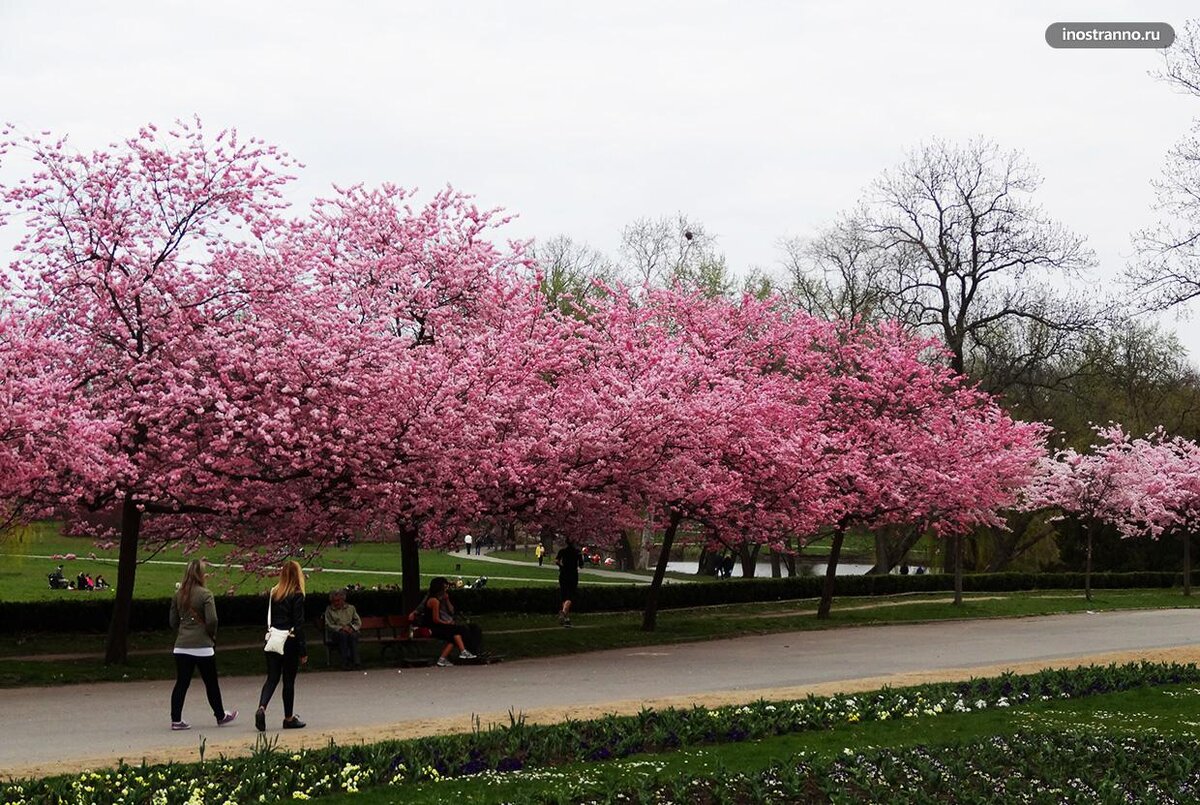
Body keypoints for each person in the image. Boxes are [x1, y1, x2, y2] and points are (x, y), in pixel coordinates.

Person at [168, 559, 237, 731]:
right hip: (202, 646)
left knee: (181, 683)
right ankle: (220, 715)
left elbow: (172, 621)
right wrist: (211, 632)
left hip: (182, 645)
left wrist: (183, 630)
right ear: (200, 574)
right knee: (211, 683)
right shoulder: (206, 594)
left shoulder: (178, 595)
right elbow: (212, 619)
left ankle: (176, 719)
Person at [255, 560, 307, 732]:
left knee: (272, 678)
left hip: (273, 639)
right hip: (289, 640)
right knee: (288, 680)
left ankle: (262, 707)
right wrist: (303, 650)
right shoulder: (297, 594)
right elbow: (298, 624)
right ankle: (288, 717)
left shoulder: (275, 592)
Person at [412, 576, 478, 667]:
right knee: (458, 631)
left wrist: (447, 600)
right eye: (445, 587)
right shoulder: (435, 601)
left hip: (436, 626)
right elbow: (435, 619)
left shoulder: (438, 599)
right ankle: (461, 652)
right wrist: (446, 623)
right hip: (433, 627)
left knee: (455, 635)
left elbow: (451, 611)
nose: (446, 589)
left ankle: (453, 655)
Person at [323, 588, 362, 669]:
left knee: (352, 636)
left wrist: (352, 628)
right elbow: (328, 624)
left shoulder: (351, 608)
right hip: (337, 632)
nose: (336, 603)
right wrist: (340, 628)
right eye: (334, 601)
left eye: (338, 600)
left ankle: (356, 662)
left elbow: (358, 622)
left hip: (351, 630)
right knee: (343, 636)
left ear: (343, 600)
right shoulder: (329, 610)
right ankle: (345, 662)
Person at [555, 539, 583, 627]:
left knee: (564, 596)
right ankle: (563, 613)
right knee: (570, 596)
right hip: (573, 575)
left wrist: (561, 567)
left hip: (563, 574)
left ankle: (566, 619)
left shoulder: (562, 551)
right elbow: (581, 565)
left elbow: (556, 561)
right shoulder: (577, 552)